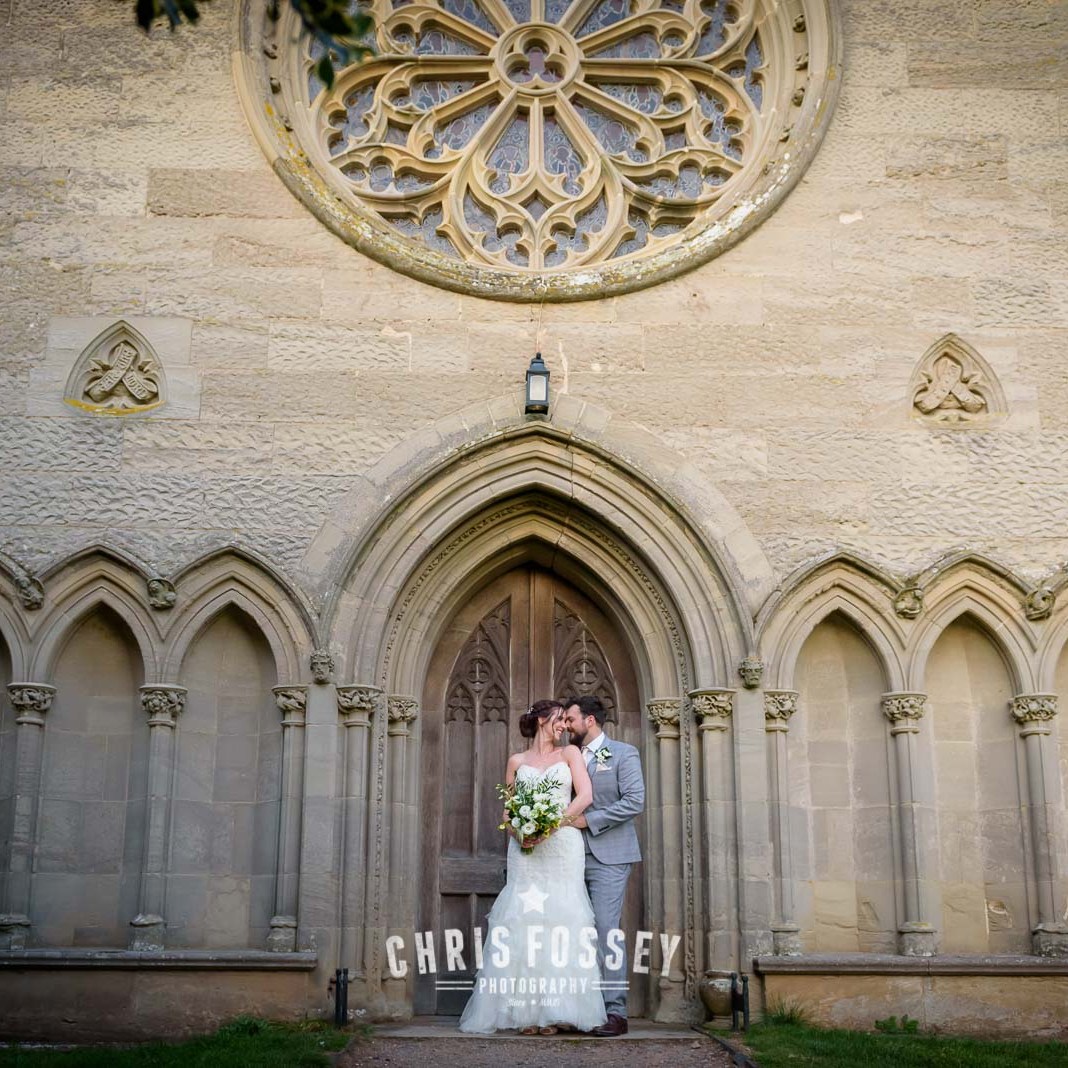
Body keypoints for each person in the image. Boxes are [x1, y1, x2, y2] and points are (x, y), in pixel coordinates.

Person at [457, 699, 608, 1035]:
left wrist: (551, 825)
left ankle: (557, 1012)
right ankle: (525, 1013)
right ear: (542, 720)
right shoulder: (516, 761)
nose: (563, 726)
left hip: (561, 846)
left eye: (566, 722)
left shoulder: (569, 755)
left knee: (562, 919)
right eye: (558, 719)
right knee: (523, 922)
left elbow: (585, 795)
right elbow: (508, 814)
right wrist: (521, 832)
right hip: (525, 852)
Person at [562, 695, 645, 1037]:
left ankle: (615, 1012)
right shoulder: (565, 759)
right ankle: (578, 1009)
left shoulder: (623, 754)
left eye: (571, 719)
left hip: (609, 856)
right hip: (566, 857)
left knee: (606, 930)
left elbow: (635, 801)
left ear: (590, 720)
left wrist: (589, 821)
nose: (566, 725)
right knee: (570, 932)